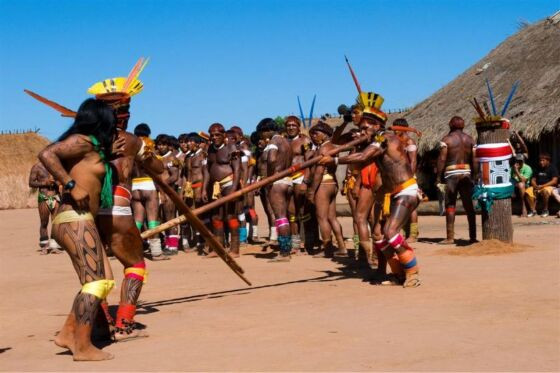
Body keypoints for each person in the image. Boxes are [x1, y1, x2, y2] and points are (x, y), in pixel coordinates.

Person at [39, 98, 117, 361]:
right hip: (74, 218)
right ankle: (82, 346)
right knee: (94, 282)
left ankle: (68, 332)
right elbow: (47, 154)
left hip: (83, 220)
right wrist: (71, 185)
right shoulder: (83, 141)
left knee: (104, 280)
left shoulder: (94, 147)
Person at [320, 92, 421, 287]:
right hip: (391, 194)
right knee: (379, 237)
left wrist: (334, 159)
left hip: (406, 191)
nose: (363, 129)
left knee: (390, 232)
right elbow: (357, 165)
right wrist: (354, 143)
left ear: (377, 126)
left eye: (366, 127)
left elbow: (363, 157)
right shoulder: (375, 140)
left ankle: (412, 272)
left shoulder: (385, 140)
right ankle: (398, 273)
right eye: (361, 127)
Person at [307, 122, 347, 257]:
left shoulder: (323, 149)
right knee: (332, 218)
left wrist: (312, 191)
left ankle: (328, 249)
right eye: (312, 134)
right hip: (332, 183)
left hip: (323, 185)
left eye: (316, 133)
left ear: (325, 134)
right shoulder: (331, 147)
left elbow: (318, 172)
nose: (313, 136)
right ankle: (342, 248)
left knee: (322, 218)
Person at [202, 123, 242, 257]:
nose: (214, 137)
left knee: (230, 215)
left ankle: (234, 249)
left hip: (229, 183)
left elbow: (237, 169)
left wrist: (234, 189)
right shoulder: (210, 150)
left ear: (224, 135)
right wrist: (203, 189)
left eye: (217, 135)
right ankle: (217, 249)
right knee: (216, 216)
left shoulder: (231, 147)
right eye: (212, 135)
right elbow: (207, 171)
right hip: (215, 186)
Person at [436, 116, 477, 244]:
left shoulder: (447, 140)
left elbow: (442, 159)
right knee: (469, 206)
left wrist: (438, 176)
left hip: (451, 173)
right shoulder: (470, 140)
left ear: (451, 125)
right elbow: (475, 160)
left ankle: (450, 237)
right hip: (466, 172)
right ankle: (473, 236)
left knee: (450, 205)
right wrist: (475, 175)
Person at [257, 118, 293, 261]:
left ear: (267, 130)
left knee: (280, 217)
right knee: (284, 217)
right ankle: (286, 249)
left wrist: (270, 177)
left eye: (262, 134)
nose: (262, 138)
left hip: (277, 182)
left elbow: (271, 160)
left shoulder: (273, 142)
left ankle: (284, 252)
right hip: (287, 181)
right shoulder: (286, 142)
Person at [131, 123, 166, 260]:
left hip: (135, 186)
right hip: (148, 184)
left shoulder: (131, 147)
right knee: (152, 220)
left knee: (137, 221)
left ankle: (133, 251)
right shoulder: (148, 146)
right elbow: (157, 169)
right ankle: (156, 252)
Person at [285, 116, 314, 253]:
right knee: (291, 212)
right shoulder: (283, 142)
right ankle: (295, 244)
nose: (290, 127)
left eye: (293, 125)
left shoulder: (305, 140)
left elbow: (310, 161)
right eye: (288, 125)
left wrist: (306, 180)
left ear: (298, 126)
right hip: (286, 178)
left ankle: (307, 242)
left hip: (300, 177)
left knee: (304, 211)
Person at [393, 118, 420, 242]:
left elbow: (413, 161)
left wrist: (410, 176)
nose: (394, 131)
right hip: (396, 178)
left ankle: (413, 234)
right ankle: (403, 232)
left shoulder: (409, 142)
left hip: (408, 178)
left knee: (411, 207)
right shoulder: (395, 141)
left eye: (396, 128)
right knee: (399, 205)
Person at [155, 134, 181, 255]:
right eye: (159, 144)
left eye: (163, 144)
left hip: (169, 192)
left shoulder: (172, 159)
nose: (161, 147)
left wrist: (163, 184)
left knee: (171, 217)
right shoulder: (156, 158)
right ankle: (167, 244)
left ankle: (174, 246)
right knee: (163, 219)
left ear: (168, 146)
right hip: (158, 192)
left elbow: (175, 176)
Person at [28, 162, 61, 254]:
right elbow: (31, 183)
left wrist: (57, 183)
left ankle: (54, 245)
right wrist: (45, 182)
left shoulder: (56, 165)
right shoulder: (37, 167)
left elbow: (62, 180)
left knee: (56, 222)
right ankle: (44, 246)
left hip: (56, 196)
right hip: (43, 197)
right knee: (44, 222)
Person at [525, 153, 558, 217]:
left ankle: (545, 210)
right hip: (538, 186)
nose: (541, 162)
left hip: (549, 187)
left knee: (545, 191)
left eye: (543, 160)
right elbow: (533, 180)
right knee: (528, 191)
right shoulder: (537, 168)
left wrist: (543, 186)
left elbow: (554, 181)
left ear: (548, 161)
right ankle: (533, 210)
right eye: (540, 160)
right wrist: (535, 186)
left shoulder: (552, 168)